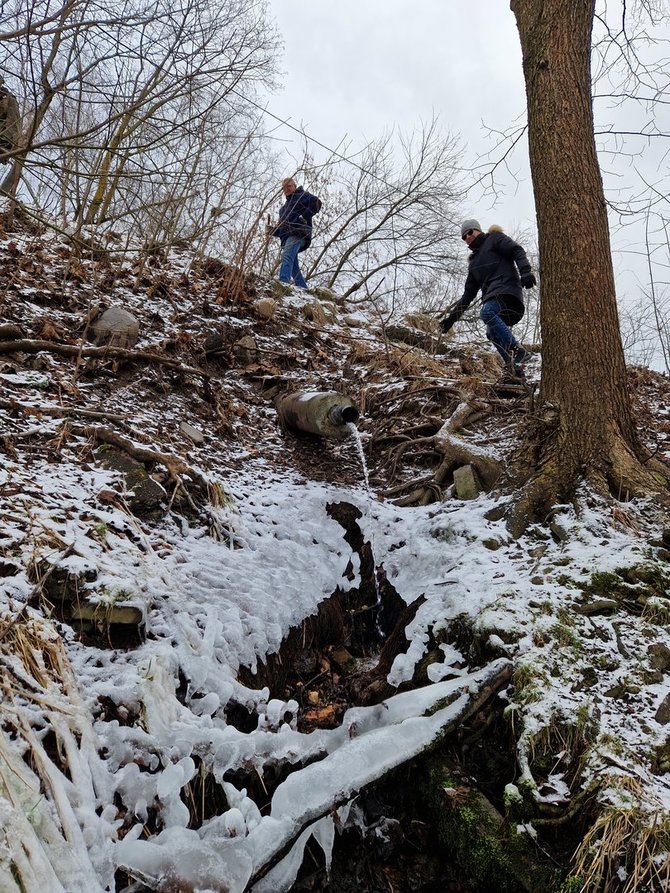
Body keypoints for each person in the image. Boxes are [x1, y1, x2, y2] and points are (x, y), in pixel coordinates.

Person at [440, 219, 537, 377]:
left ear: (477, 230)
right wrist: (451, 319)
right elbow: (468, 295)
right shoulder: (473, 263)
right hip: (494, 298)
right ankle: (515, 372)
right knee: (491, 334)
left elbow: (516, 250)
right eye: (464, 237)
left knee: (486, 312)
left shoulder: (494, 238)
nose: (468, 237)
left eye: (470, 232)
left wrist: (525, 271)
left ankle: (517, 350)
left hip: (508, 293)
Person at [273, 177, 322, 289]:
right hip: (286, 237)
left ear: (295, 186)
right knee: (293, 265)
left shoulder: (303, 196)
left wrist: (304, 216)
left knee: (286, 257)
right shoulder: (284, 209)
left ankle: (282, 284)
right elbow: (282, 228)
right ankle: (303, 289)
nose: (287, 189)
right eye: (284, 188)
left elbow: (317, 203)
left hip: (299, 233)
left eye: (289, 186)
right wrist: (272, 231)